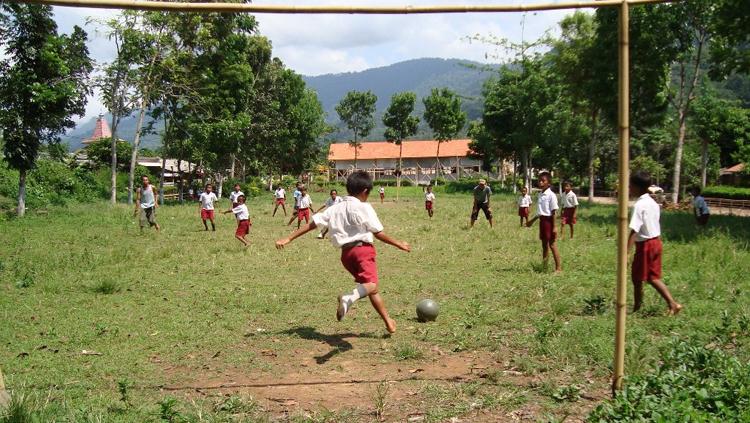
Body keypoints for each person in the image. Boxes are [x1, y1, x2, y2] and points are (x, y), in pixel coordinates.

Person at [275, 170, 410, 334]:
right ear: (365, 191)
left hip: (346, 256)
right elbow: (377, 233)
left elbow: (313, 223)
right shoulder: (364, 207)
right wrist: (399, 244)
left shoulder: (335, 208)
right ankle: (349, 298)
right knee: (371, 284)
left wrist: (288, 238)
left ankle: (388, 321)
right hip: (363, 251)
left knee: (370, 288)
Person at [629, 171, 682, 315]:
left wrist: (625, 251)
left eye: (630, 186)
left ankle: (670, 304)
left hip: (645, 245)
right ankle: (640, 307)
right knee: (646, 277)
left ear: (637, 187)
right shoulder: (652, 203)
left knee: (643, 278)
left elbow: (634, 229)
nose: (629, 189)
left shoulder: (639, 205)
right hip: (656, 243)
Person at [526, 172, 562, 272]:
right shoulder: (540, 194)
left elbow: (554, 211)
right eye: (539, 180)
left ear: (549, 183)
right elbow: (540, 212)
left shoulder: (551, 195)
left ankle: (558, 268)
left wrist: (554, 227)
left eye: (543, 181)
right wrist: (531, 221)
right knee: (544, 245)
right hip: (542, 222)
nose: (541, 182)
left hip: (549, 222)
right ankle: (544, 266)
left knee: (552, 245)